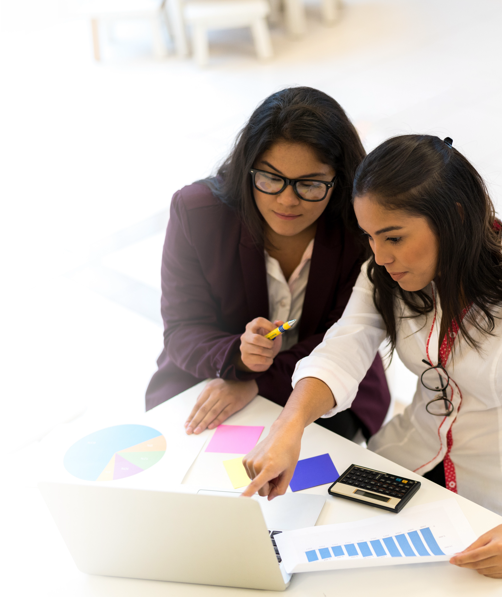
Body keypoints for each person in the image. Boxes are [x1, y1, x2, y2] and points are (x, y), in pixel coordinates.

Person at [241, 135, 502, 579]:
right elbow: (346, 344)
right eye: (370, 237)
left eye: (393, 237)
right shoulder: (384, 270)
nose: (379, 256)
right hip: (407, 459)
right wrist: (289, 426)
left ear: (452, 218)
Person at [144, 87, 391, 442]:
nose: (287, 200)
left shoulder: (360, 226)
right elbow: (183, 330)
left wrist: (258, 381)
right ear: (248, 168)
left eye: (309, 184)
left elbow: (345, 338)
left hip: (325, 389)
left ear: (339, 181)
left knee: (309, 487)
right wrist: (239, 359)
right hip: (212, 376)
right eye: (271, 178)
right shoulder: (197, 213)